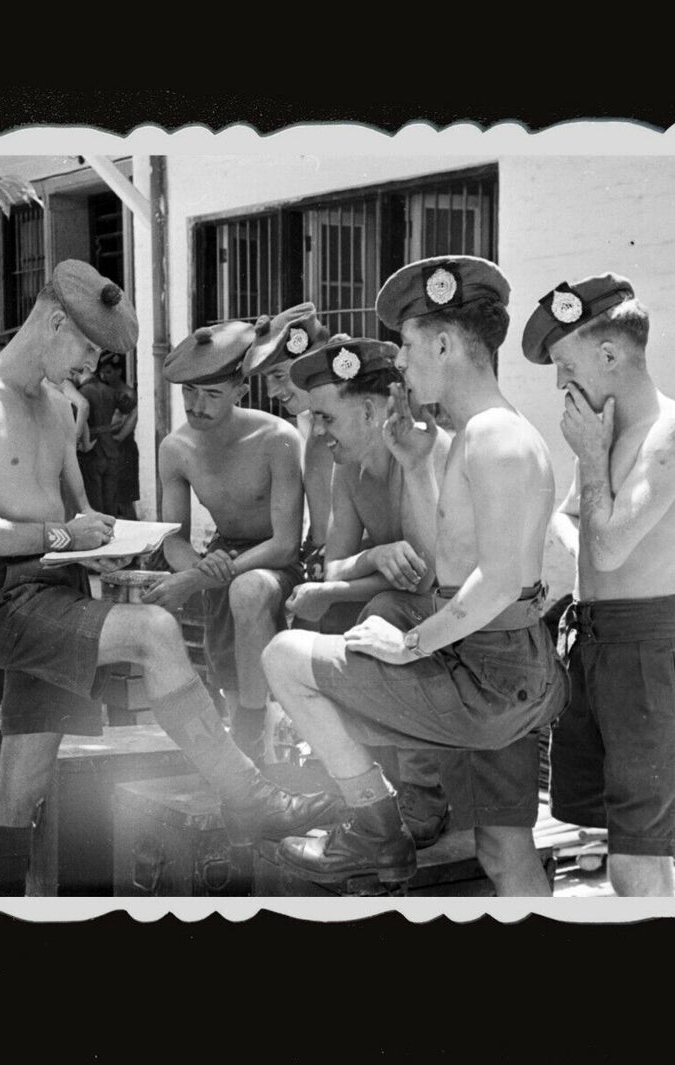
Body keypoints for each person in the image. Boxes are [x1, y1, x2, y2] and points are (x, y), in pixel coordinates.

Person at [0, 260, 340, 897]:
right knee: (154, 632)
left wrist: (112, 544)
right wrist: (62, 538)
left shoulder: (59, 407)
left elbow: (79, 516)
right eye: (89, 350)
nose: (92, 370)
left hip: (62, 594)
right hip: (8, 598)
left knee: (23, 780)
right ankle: (247, 796)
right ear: (53, 321)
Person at [262, 256, 568, 895]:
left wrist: (410, 646)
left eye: (407, 345)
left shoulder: (497, 439)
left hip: (490, 674)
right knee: (504, 847)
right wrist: (419, 466)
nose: (400, 362)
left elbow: (502, 578)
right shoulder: (480, 434)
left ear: (445, 343)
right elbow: (449, 562)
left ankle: (375, 829)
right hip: (498, 665)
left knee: (287, 657)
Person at [522, 272, 675, 896]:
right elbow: (574, 521)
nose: (558, 383)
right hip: (594, 648)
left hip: (649, 655)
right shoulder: (607, 432)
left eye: (563, 363)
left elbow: (602, 545)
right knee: (611, 840)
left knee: (640, 855)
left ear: (608, 355)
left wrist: (587, 464)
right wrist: (594, 537)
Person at [278, 337, 456, 847]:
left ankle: (423, 793)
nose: (319, 432)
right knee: (328, 613)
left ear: (372, 410)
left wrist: (344, 584)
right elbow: (335, 562)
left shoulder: (426, 454)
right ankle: (363, 781)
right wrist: (373, 558)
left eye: (328, 418)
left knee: (380, 611)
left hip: (458, 610)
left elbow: (426, 575)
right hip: (407, 599)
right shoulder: (347, 468)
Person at [140, 321, 307, 767]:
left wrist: (199, 576)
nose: (197, 406)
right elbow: (171, 536)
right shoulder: (176, 449)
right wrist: (195, 566)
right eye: (189, 393)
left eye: (212, 395)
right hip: (219, 560)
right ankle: (250, 758)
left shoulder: (277, 440)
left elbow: (287, 543)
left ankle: (254, 734)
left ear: (240, 390)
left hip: (275, 564)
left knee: (247, 590)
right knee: (231, 684)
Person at [239, 303, 337, 581]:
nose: (270, 392)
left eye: (278, 375)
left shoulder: (355, 419)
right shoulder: (309, 422)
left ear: (310, 363)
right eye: (267, 379)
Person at [76, 352, 136, 516]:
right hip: (111, 450)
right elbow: (132, 407)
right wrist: (119, 429)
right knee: (111, 504)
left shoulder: (79, 394)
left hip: (91, 452)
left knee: (95, 504)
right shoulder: (110, 391)